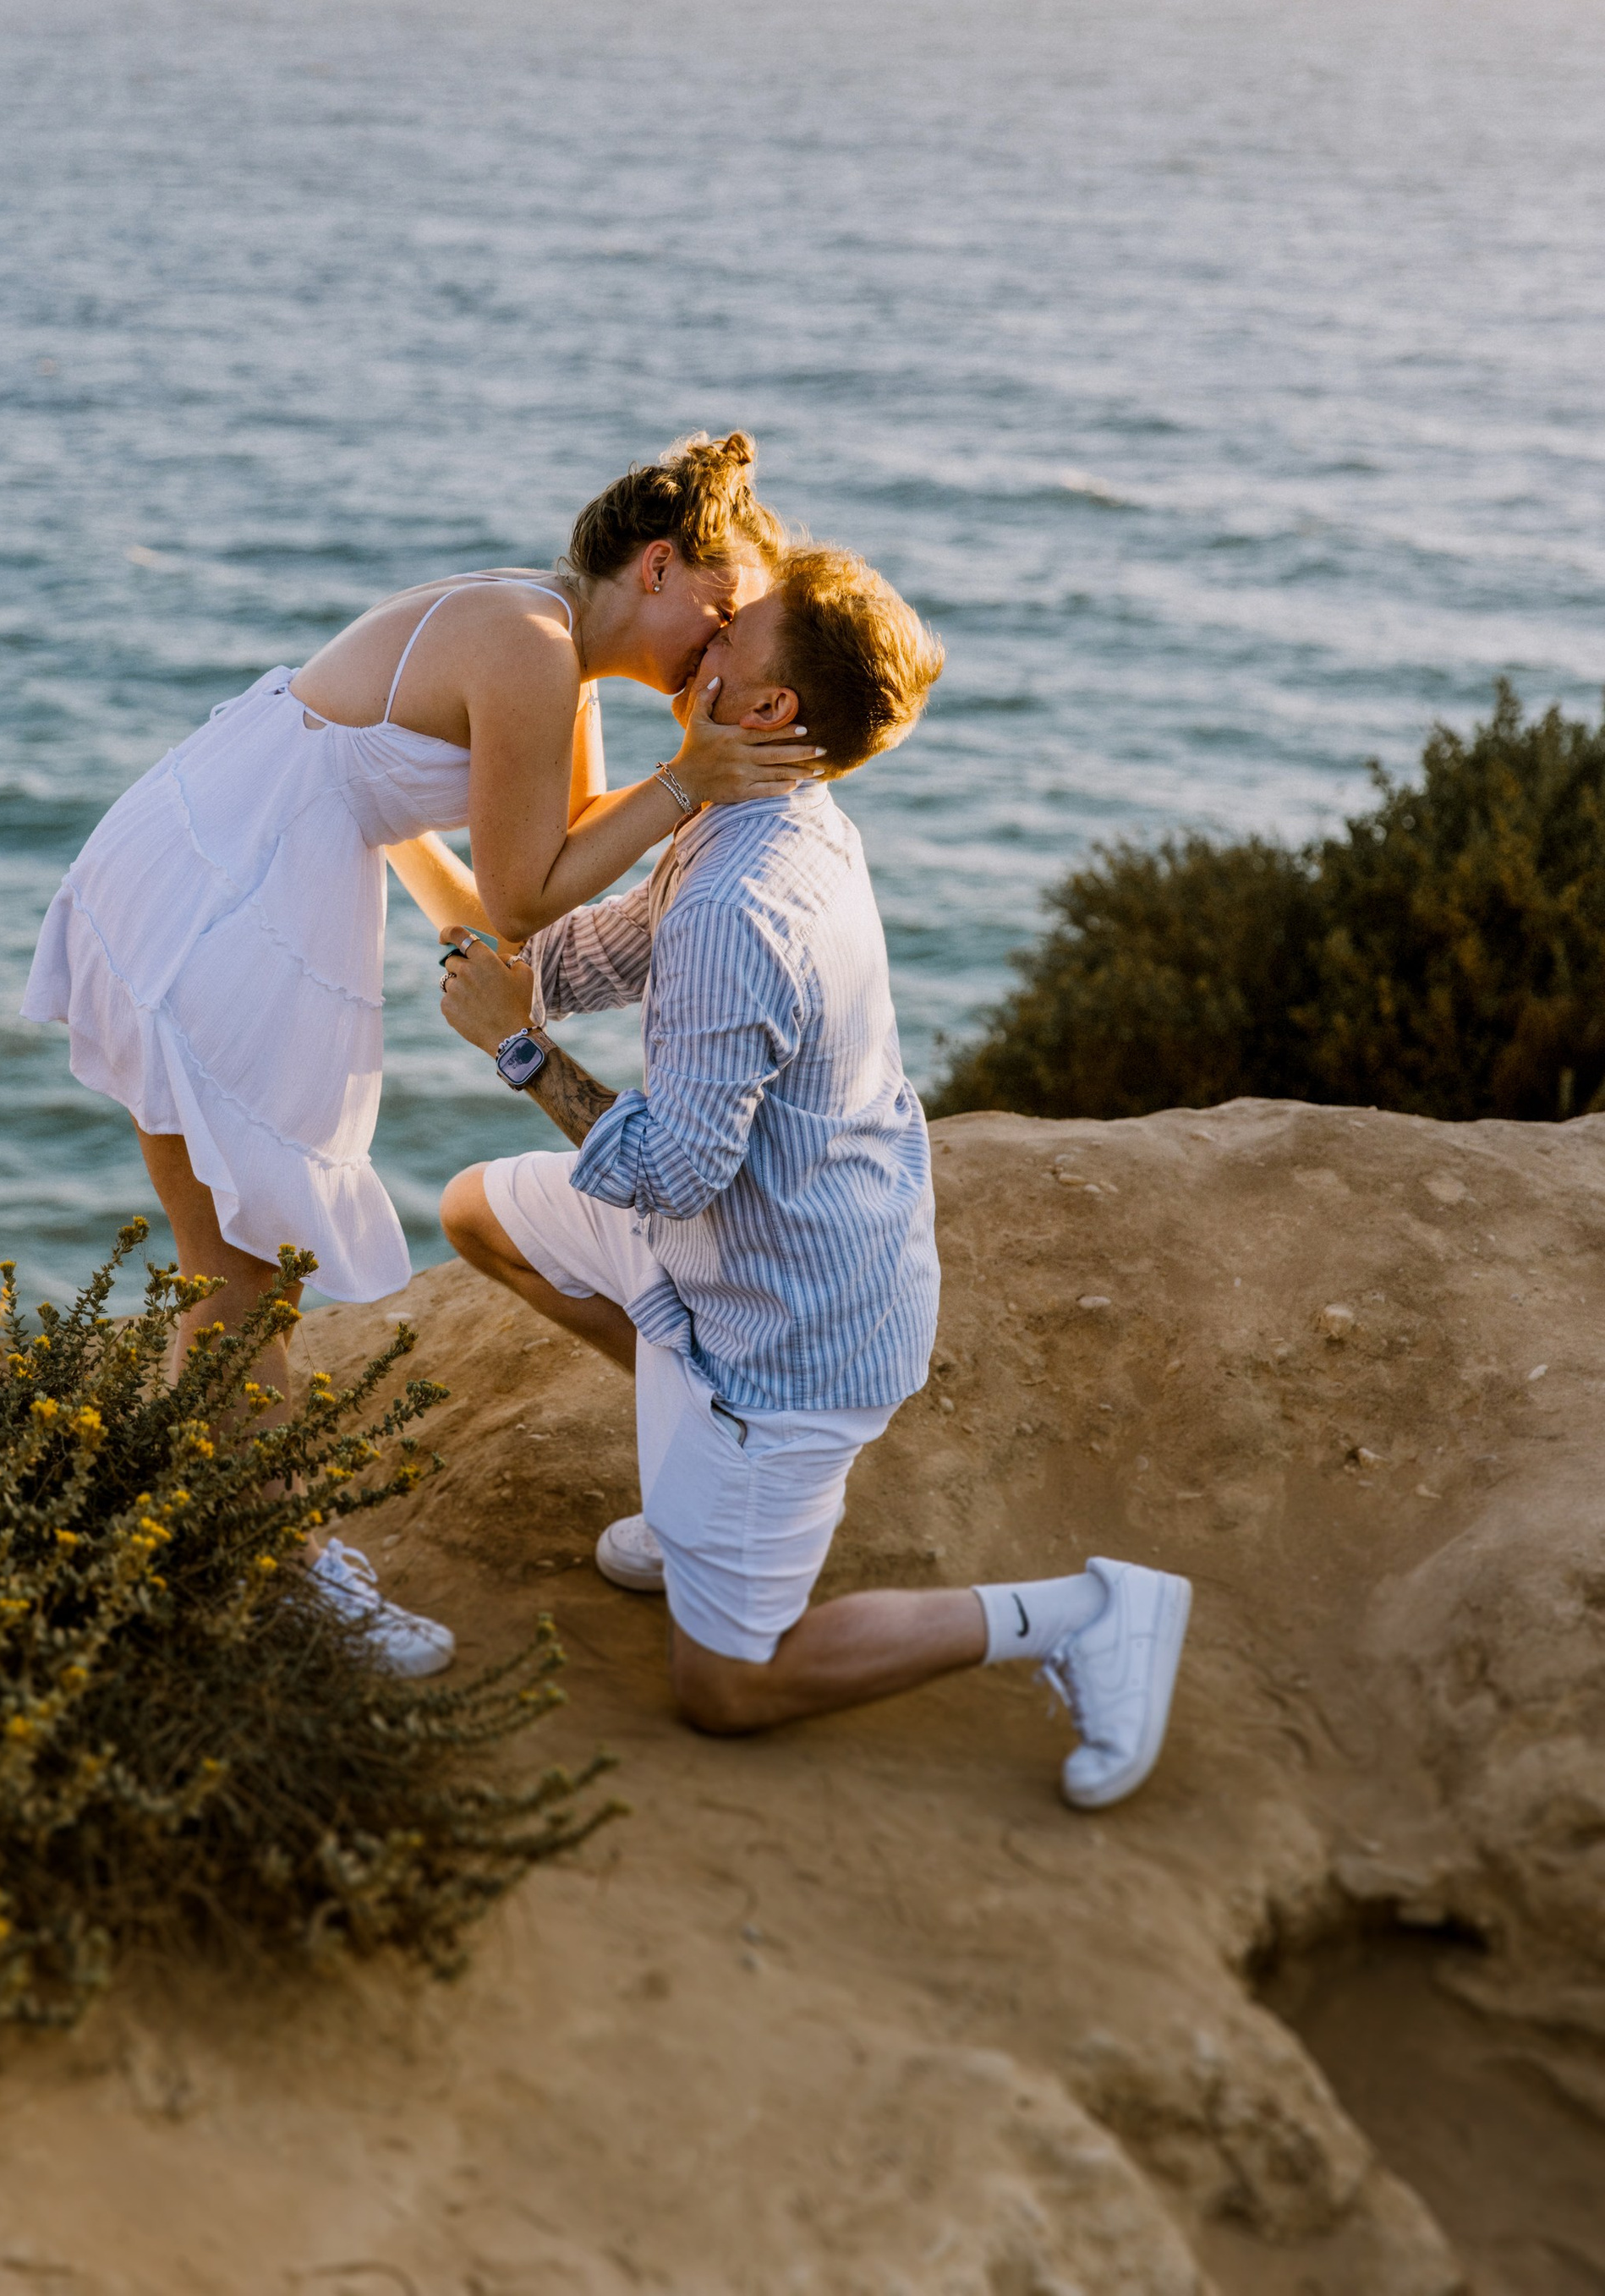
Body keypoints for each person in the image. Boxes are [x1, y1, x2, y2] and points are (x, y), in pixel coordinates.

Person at [21, 432, 813, 1669]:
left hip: (215, 851)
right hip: (231, 895)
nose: (719, 652)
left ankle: (200, 1534)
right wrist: (692, 778)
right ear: (658, 567)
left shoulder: (552, 641)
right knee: (242, 1273)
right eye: (720, 616)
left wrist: (667, 797)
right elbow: (522, 891)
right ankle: (290, 1580)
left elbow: (546, 851)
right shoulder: (532, 646)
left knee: (219, 1266)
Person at [435, 545, 1193, 1805]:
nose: (709, 637)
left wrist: (518, 1046)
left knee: (727, 1688)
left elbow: (673, 1168)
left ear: (774, 708)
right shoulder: (758, 812)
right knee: (479, 1212)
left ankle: (1084, 1611)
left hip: (788, 1331)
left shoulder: (746, 898)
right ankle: (693, 1462)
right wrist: (486, 917)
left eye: (737, 635)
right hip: (725, 1252)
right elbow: (606, 946)